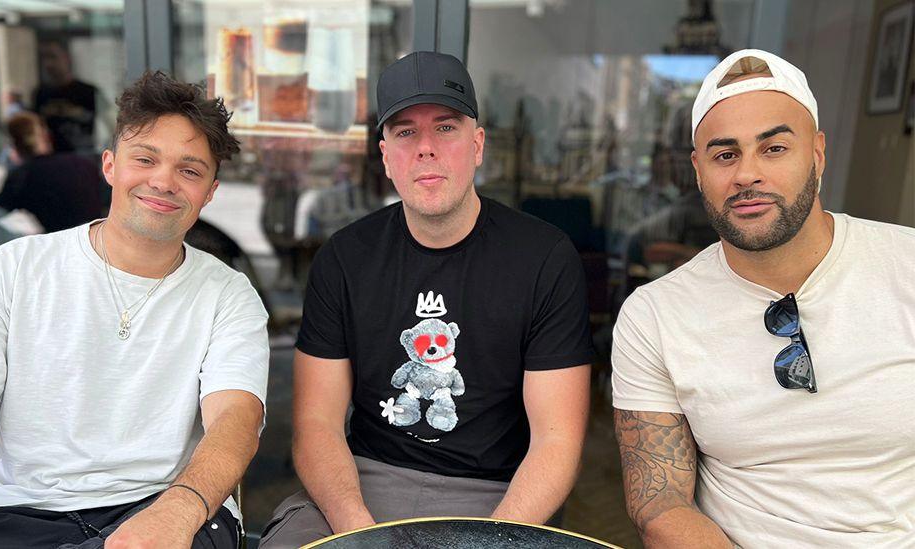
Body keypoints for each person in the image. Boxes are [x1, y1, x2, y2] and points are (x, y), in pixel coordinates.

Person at [259, 51, 594, 548]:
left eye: (445, 127)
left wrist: (495, 539)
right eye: (405, 132)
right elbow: (316, 425)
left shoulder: (543, 257)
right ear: (385, 155)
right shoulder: (345, 258)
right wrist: (357, 529)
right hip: (361, 484)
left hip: (494, 496)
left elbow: (557, 440)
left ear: (477, 144)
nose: (426, 149)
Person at [0, 71, 269, 549]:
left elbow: (236, 420)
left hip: (168, 505)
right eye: (146, 159)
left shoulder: (228, 294)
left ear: (210, 192)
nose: (164, 181)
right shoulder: (15, 269)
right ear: (111, 166)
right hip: (24, 514)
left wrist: (178, 511)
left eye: (190, 170)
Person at [611, 49, 915, 548]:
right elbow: (659, 502)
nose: (746, 174)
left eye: (773, 148)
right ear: (698, 169)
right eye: (725, 154)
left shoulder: (905, 267)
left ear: (817, 154)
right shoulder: (656, 315)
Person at [0, 111, 105, 233]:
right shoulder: (84, 164)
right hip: (97, 238)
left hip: (62, 243)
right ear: (47, 136)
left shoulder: (23, 176)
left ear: (16, 144)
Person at [33, 41, 100, 154]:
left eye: (53, 57)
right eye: (44, 58)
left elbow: (109, 121)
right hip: (52, 157)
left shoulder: (87, 91)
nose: (48, 64)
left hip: (82, 155)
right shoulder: (41, 93)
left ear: (66, 58)